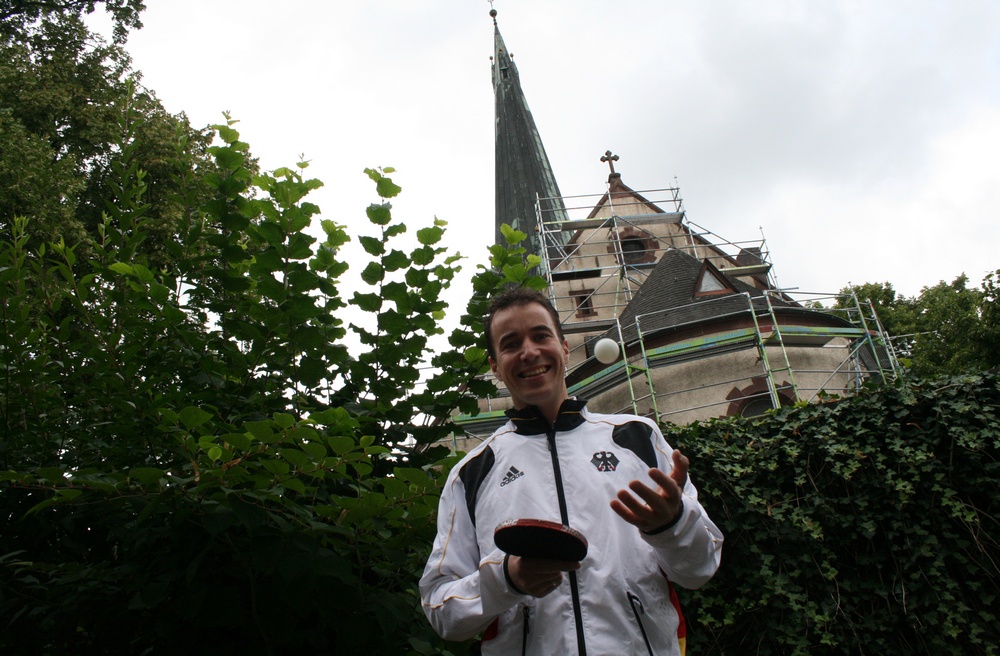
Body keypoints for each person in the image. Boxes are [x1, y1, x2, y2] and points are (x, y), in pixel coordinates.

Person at [420, 287, 723, 655]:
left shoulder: (636, 437)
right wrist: (507, 579)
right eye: (511, 343)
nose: (529, 352)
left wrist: (672, 526)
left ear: (564, 348)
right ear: (496, 367)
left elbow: (701, 569)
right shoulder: (472, 472)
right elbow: (441, 609)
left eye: (541, 335)